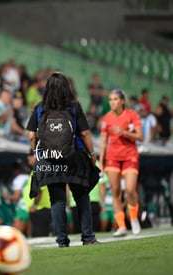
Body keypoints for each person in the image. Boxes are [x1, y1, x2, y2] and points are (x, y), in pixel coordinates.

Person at [26, 72, 98, 247]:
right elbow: (85, 133)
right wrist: (92, 154)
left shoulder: (39, 108)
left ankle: (62, 240)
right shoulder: (74, 107)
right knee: (81, 197)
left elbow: (30, 135)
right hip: (74, 158)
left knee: (57, 200)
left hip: (50, 159)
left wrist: (37, 153)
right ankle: (87, 237)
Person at [99, 89, 143, 237]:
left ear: (122, 101)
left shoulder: (132, 115)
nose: (112, 102)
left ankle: (134, 217)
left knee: (130, 189)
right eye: (110, 99)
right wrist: (101, 161)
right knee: (116, 191)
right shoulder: (106, 119)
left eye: (116, 99)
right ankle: (122, 226)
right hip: (112, 158)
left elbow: (140, 136)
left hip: (130, 155)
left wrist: (124, 132)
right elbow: (104, 142)